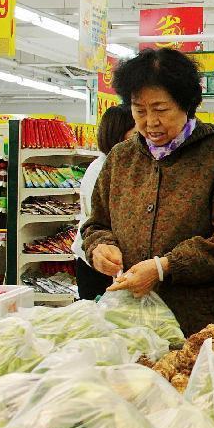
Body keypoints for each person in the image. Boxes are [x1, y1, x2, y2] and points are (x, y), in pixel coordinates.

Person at [82, 48, 214, 335]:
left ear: (186, 104)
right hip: (131, 323)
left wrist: (166, 267)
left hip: (202, 324)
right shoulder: (121, 158)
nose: (150, 122)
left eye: (160, 109)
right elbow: (96, 225)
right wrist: (99, 247)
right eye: (139, 110)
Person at [72, 104, 136, 300]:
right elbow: (100, 219)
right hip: (98, 260)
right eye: (135, 134)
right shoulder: (103, 168)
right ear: (117, 134)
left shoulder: (119, 164)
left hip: (106, 257)